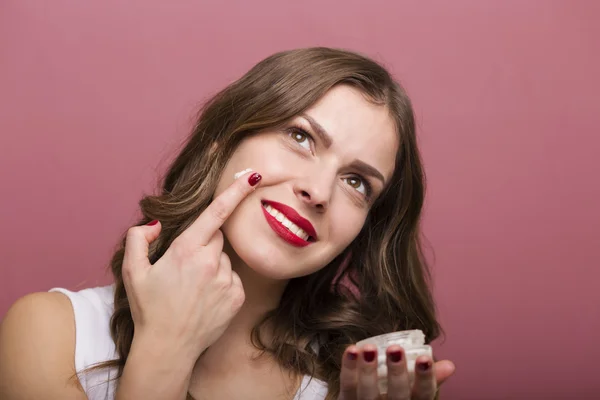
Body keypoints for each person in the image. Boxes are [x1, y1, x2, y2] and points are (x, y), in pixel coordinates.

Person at [0, 47, 455, 400]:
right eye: (300, 137)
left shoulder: (360, 379)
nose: (318, 192)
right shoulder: (54, 334)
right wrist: (166, 346)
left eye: (356, 182)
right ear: (221, 143)